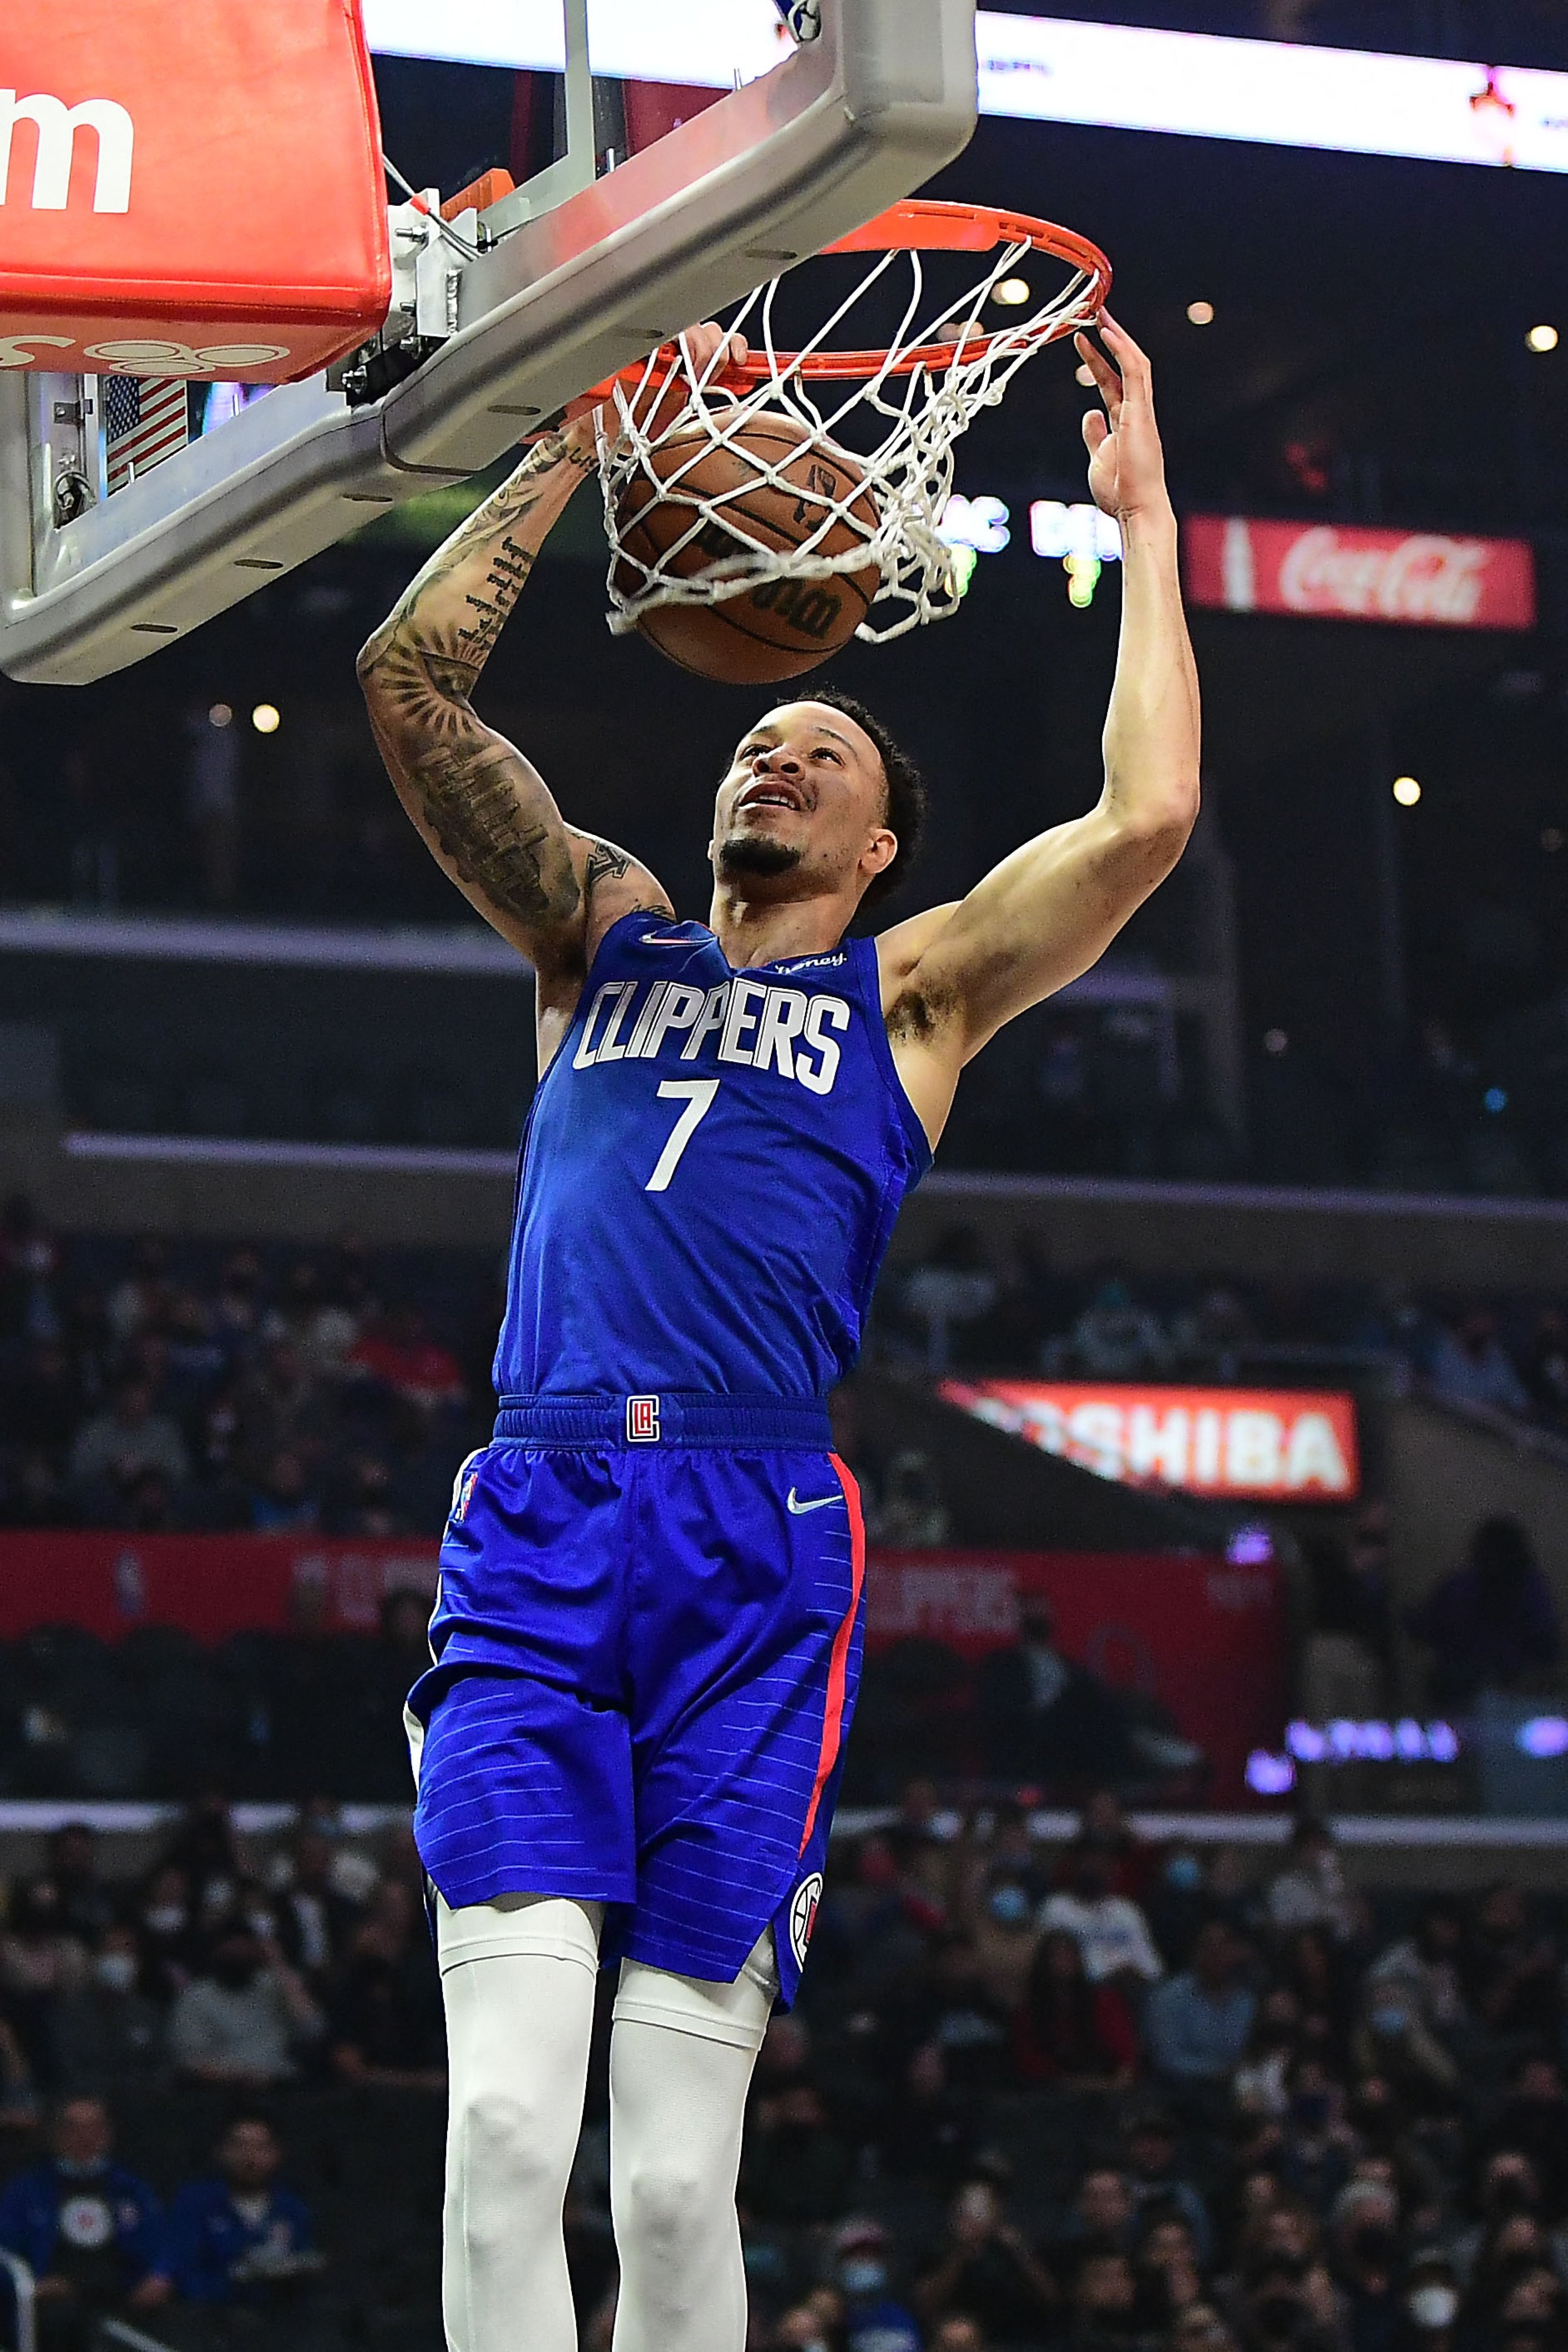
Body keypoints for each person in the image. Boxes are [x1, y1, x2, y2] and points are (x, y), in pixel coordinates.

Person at [357, 304, 1198, 2352]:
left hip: (750, 1539)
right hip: (540, 1508)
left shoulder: (905, 998)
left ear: (877, 840)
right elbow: (407, 680)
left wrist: (1140, 512)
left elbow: (1143, 819)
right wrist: (569, 438)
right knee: (493, 2139)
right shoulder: (593, 933)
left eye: (817, 748)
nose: (773, 745)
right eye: (757, 733)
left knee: (661, 2176)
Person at [0, 2096, 170, 2351]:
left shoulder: (131, 2189)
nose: (84, 2137)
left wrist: (160, 2275)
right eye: (73, 2128)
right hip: (54, 2299)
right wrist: (32, 2286)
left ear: (108, 2134)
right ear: (55, 2135)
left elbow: (161, 2242)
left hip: (120, 2293)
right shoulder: (26, 2190)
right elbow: (6, 2250)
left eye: (94, 2127)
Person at [166, 2113, 320, 2310]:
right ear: (221, 2152)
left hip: (281, 2317)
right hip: (212, 2317)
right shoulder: (195, 2202)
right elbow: (184, 2270)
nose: (250, 2157)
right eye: (239, 2146)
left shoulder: (291, 2207)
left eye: (261, 2148)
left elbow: (304, 2262)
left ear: (276, 2154)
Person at [1406, 1519, 1562, 1703]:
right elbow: (1425, 1626)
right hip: (1463, 1691)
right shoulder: (1460, 1588)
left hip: (1517, 1691)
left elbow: (1547, 1644)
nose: (1496, 1562)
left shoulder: (1531, 1589)